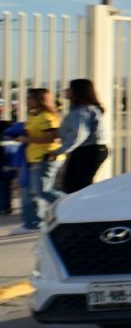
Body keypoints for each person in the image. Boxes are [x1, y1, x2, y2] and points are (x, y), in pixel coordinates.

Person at [57, 78, 110, 193]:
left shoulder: (82, 111)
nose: (66, 91)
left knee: (75, 186)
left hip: (87, 151)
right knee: (79, 185)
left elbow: (79, 134)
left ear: (77, 92)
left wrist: (60, 150)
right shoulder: (85, 109)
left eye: (70, 89)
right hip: (92, 150)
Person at [21, 88, 62, 229]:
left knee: (43, 191)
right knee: (37, 192)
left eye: (31, 98)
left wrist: (28, 139)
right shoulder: (33, 115)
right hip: (36, 158)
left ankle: (71, 204)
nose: (28, 101)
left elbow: (54, 137)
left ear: (40, 100)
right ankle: (36, 222)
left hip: (46, 157)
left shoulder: (47, 116)